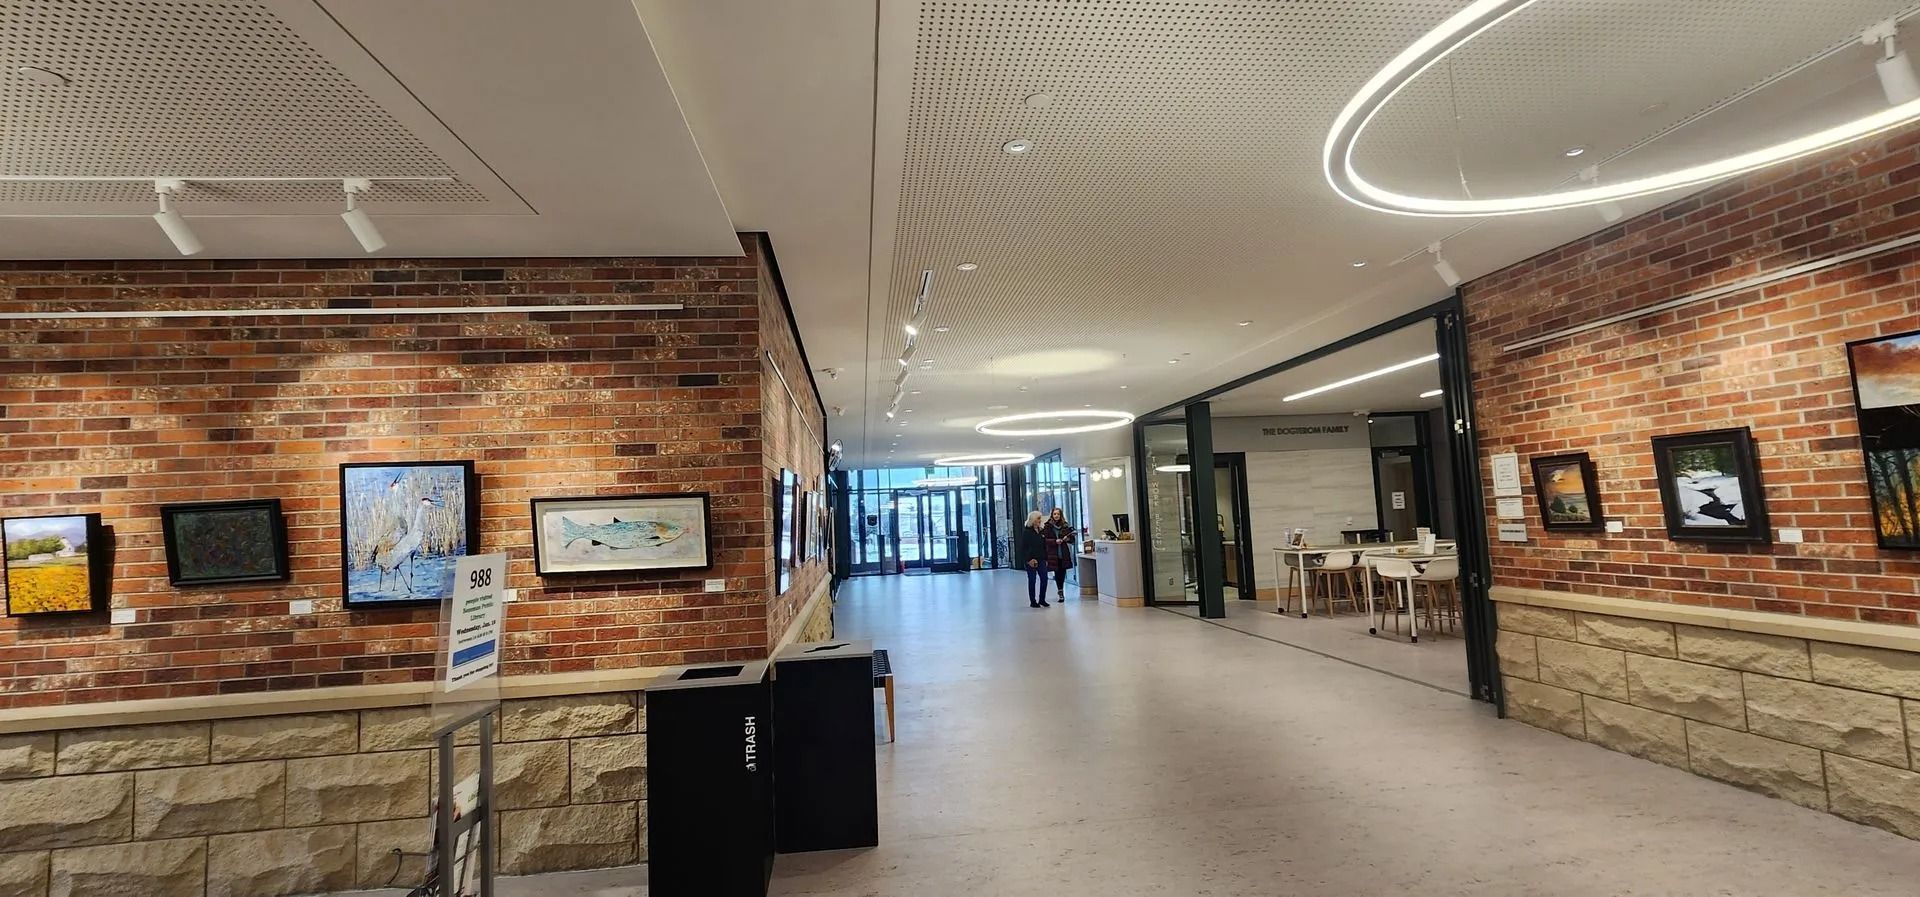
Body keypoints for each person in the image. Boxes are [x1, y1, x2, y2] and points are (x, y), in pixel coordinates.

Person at [1018, 511, 1050, 608]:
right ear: (1033, 520)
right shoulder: (1027, 532)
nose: (1040, 521)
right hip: (1031, 560)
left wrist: (1046, 558)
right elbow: (1023, 548)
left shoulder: (1041, 531)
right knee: (1032, 579)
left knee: (1044, 579)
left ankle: (1042, 599)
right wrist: (1029, 560)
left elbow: (1044, 546)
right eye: (1038, 518)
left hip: (1041, 559)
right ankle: (1033, 601)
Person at [1043, 507, 1075, 601]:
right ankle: (1060, 591)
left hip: (1063, 553)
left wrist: (1067, 539)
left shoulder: (1065, 526)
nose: (1056, 516)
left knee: (1062, 572)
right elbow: (1045, 540)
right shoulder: (1048, 526)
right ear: (1052, 515)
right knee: (1057, 572)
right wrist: (1054, 541)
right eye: (1055, 514)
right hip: (1053, 553)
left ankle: (1061, 589)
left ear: (1061, 515)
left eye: (1058, 514)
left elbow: (1072, 539)